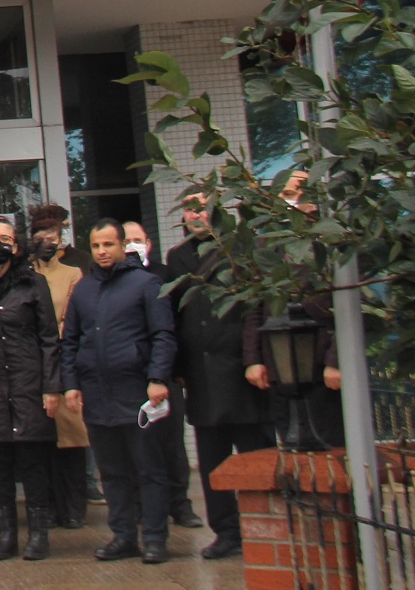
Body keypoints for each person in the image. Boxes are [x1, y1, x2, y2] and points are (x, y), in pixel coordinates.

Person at [63, 220, 178, 565]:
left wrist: (158, 377)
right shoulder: (82, 289)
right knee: (112, 472)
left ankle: (155, 538)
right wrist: (70, 384)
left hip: (137, 394)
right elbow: (70, 341)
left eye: (108, 245)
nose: (101, 252)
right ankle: (124, 536)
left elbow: (163, 335)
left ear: (122, 246)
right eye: (96, 246)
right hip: (97, 394)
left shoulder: (146, 283)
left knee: (149, 470)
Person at [168, 195, 275, 561]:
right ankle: (226, 531)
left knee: (254, 456)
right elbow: (174, 316)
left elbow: (254, 309)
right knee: (213, 461)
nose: (195, 214)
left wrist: (254, 359)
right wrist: (178, 369)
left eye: (202, 207)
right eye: (188, 208)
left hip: (241, 372)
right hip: (200, 376)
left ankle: (263, 526)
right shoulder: (177, 257)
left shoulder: (241, 249)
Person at [0, 216, 63, 561]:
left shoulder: (34, 283)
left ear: (16, 247)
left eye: (5, 238)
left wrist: (52, 386)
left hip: (28, 384)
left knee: (33, 464)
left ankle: (39, 534)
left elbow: (50, 338)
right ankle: (6, 534)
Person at [124, 220, 202, 529]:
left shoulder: (166, 275)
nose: (132, 245)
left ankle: (180, 505)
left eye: (137, 239)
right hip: (131, 374)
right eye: (126, 240)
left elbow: (178, 324)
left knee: (172, 443)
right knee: (137, 445)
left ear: (149, 243)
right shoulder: (112, 279)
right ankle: (142, 507)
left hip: (164, 372)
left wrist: (177, 370)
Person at [29, 205, 91, 529]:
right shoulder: (26, 276)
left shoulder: (73, 274)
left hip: (64, 360)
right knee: (43, 441)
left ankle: (75, 506)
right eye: (41, 238)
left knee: (71, 439)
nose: (47, 243)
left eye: (52, 238)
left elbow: (73, 317)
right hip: (33, 364)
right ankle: (48, 506)